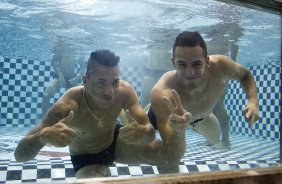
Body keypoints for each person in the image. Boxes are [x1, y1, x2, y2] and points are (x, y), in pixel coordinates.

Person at [14, 49, 176, 178]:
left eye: (115, 82)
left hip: (116, 143)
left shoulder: (124, 91)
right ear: (85, 81)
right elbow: (19, 156)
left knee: (168, 157)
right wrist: (42, 136)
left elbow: (149, 133)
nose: (110, 92)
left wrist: (143, 133)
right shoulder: (68, 105)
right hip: (87, 157)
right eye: (101, 83)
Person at [148, 31, 260, 168]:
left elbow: (245, 75)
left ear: (207, 61)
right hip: (166, 117)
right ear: (173, 63)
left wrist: (253, 101)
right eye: (182, 64)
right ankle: (137, 112)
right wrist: (178, 131)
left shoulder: (221, 66)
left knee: (215, 138)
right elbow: (173, 152)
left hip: (202, 118)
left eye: (196, 64)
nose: (190, 72)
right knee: (146, 134)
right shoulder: (162, 93)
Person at [41, 39, 85, 117]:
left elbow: (82, 70)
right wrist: (60, 75)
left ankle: (77, 121)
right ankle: (45, 122)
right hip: (59, 77)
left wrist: (77, 78)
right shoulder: (61, 46)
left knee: (83, 96)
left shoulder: (79, 49)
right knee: (46, 95)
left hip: (71, 79)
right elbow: (53, 62)